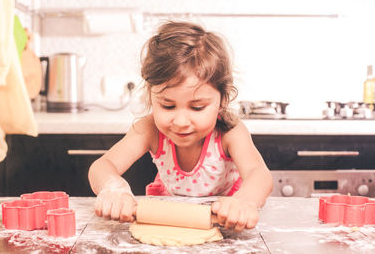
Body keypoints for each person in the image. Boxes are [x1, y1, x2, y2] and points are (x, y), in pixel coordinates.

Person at [88, 21, 273, 231]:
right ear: (151, 95)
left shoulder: (230, 132)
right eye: (168, 106)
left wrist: (245, 202)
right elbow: (102, 166)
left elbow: (260, 174)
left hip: (223, 225)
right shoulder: (149, 129)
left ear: (222, 100)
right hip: (169, 221)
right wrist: (113, 188)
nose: (181, 122)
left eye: (197, 108)